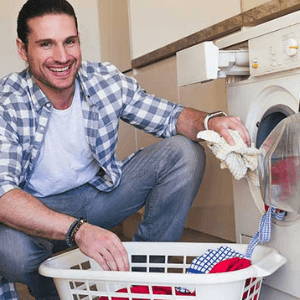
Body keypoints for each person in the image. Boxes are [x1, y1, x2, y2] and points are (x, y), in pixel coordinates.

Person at [0, 0, 250, 299]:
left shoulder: (102, 79)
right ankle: (56, 292)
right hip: (37, 209)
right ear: (22, 49)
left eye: (70, 41)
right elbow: (3, 195)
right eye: (46, 44)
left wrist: (212, 121)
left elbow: (170, 117)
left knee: (184, 152)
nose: (62, 56)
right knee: (12, 251)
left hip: (98, 197)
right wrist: (78, 230)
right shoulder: (7, 102)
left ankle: (143, 280)